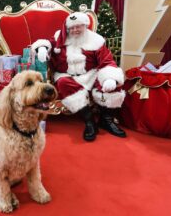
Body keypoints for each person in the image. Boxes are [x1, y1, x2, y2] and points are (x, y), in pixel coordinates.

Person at [31, 12, 126, 142]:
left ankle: (106, 120)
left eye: (78, 27)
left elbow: (107, 62)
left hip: (90, 75)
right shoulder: (61, 37)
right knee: (63, 83)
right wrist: (42, 48)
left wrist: (110, 78)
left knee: (112, 82)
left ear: (85, 25)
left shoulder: (96, 41)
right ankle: (89, 121)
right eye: (71, 28)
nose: (74, 30)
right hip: (67, 75)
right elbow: (49, 43)